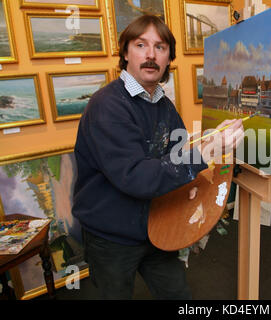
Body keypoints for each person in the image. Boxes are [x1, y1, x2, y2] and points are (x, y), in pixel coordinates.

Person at [72, 14, 244, 299]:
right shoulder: (107, 106)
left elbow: (179, 153)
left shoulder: (164, 104)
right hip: (111, 236)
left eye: (160, 47)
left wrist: (211, 143)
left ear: (168, 59)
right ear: (125, 53)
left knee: (178, 295)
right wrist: (202, 153)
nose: (151, 55)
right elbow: (137, 177)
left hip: (157, 225)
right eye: (141, 45)